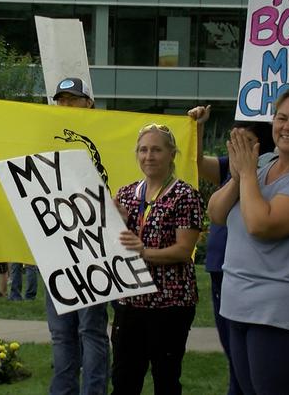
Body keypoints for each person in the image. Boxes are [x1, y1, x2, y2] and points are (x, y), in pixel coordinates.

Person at [207, 87, 289, 394]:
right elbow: (216, 213)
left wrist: (246, 174)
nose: (287, 127)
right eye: (281, 118)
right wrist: (238, 177)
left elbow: (261, 225)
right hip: (238, 304)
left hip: (281, 312)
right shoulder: (262, 166)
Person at [187, 104, 275, 395]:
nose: (237, 148)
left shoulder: (269, 173)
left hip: (249, 271)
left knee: (250, 361)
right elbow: (197, 163)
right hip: (220, 268)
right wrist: (198, 127)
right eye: (233, 141)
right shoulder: (229, 168)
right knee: (234, 352)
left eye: (245, 142)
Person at [113, 123, 203, 394]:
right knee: (123, 381)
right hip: (130, 301)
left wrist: (144, 252)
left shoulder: (185, 196)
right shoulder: (126, 194)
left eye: (156, 150)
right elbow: (114, 245)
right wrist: (114, 222)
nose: (148, 156)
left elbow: (183, 250)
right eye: (143, 150)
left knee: (166, 380)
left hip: (170, 304)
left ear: (171, 154)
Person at [46, 77, 109, 395]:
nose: (66, 105)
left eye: (73, 99)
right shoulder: (45, 138)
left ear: (89, 104)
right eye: (61, 100)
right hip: (55, 251)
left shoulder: (105, 137)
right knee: (61, 333)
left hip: (92, 250)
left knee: (90, 329)